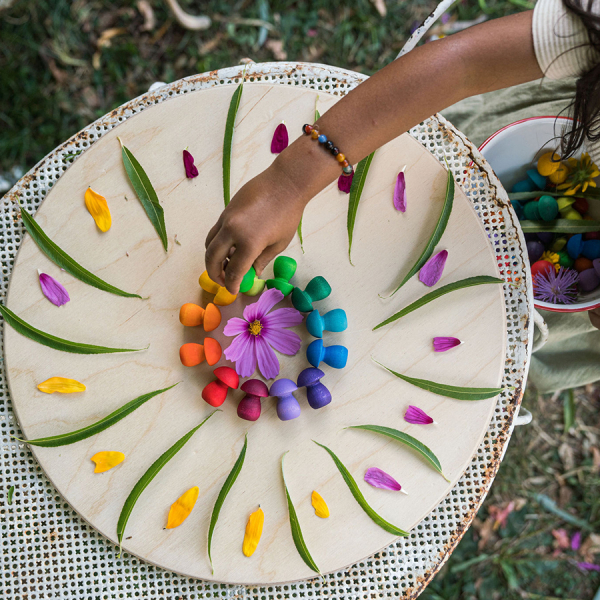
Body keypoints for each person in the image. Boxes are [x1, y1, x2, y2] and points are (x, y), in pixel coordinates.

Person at [204, 0, 600, 392]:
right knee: (410, 196)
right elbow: (464, 65)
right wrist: (289, 182)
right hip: (504, 143)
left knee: (477, 338)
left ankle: (506, 358)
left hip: (562, 308)